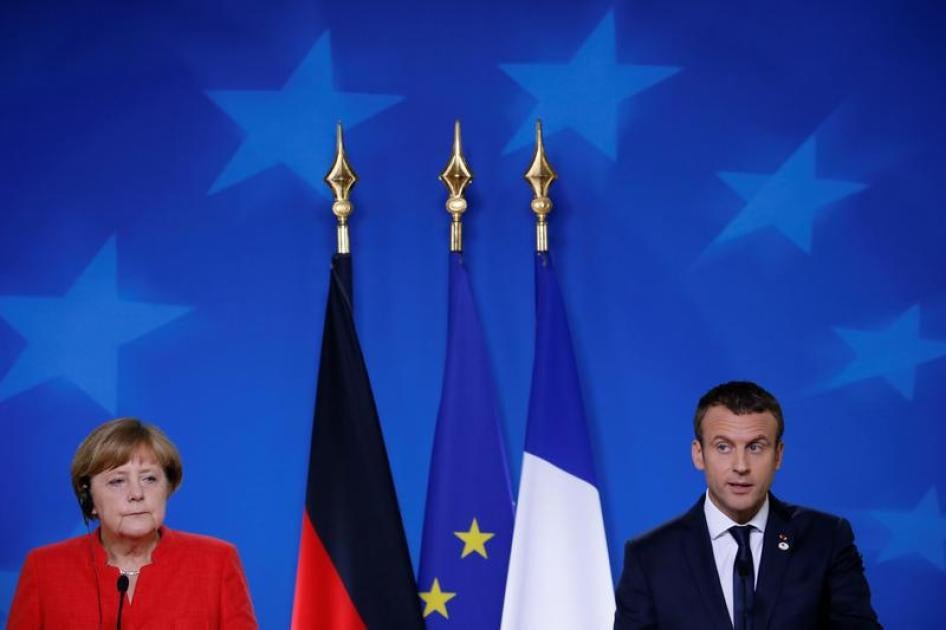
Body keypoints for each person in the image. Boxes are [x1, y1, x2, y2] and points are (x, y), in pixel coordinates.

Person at [613, 381, 880, 630]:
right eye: (723, 447)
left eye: (755, 447)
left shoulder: (826, 540)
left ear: (778, 455)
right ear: (698, 454)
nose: (741, 466)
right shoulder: (650, 557)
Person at [8, 417, 258, 629]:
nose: (136, 493)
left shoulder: (217, 562)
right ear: (89, 498)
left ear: (167, 488)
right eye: (117, 481)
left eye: (149, 479)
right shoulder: (44, 570)